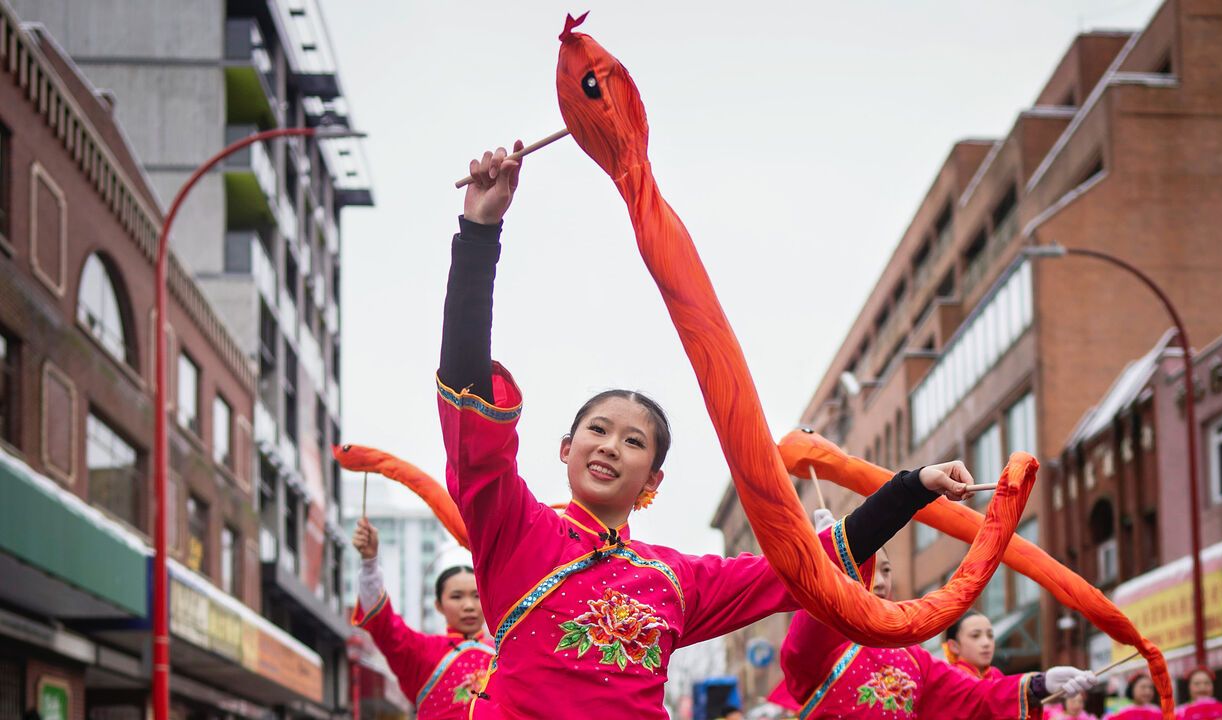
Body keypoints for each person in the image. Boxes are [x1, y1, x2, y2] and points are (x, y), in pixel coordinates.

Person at [437, 145, 986, 719]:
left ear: (654, 478)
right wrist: (479, 235)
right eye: (597, 430)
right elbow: (469, 410)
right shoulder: (516, 529)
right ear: (566, 449)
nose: (609, 446)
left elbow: (806, 563)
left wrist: (911, 488)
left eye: (633, 441)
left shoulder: (675, 580)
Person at [778, 513, 1098, 719]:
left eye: (886, 570)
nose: (879, 580)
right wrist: (827, 564)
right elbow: (806, 637)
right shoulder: (825, 645)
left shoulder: (913, 657)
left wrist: (1040, 684)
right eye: (867, 569)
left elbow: (975, 697)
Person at [351, 518, 494, 718]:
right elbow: (383, 624)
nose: (468, 606)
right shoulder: (421, 650)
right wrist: (369, 563)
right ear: (438, 605)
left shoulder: (505, 655)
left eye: (476, 596)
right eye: (456, 596)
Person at [946, 611, 1002, 679]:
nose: (986, 643)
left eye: (990, 635)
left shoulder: (996, 674)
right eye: (975, 636)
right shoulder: (953, 678)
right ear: (954, 646)